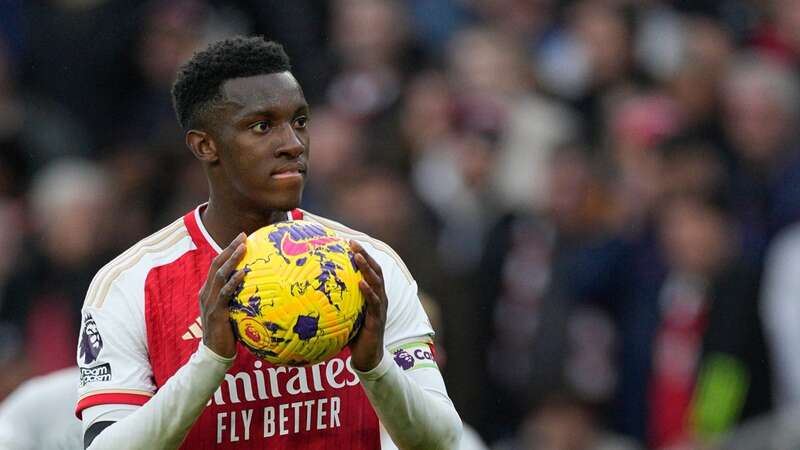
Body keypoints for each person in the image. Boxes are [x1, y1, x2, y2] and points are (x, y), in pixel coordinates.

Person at [76, 36, 462, 450]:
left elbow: (442, 442)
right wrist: (210, 362)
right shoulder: (132, 284)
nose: (293, 145)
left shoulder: (368, 265)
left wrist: (374, 366)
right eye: (262, 126)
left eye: (299, 122)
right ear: (205, 145)